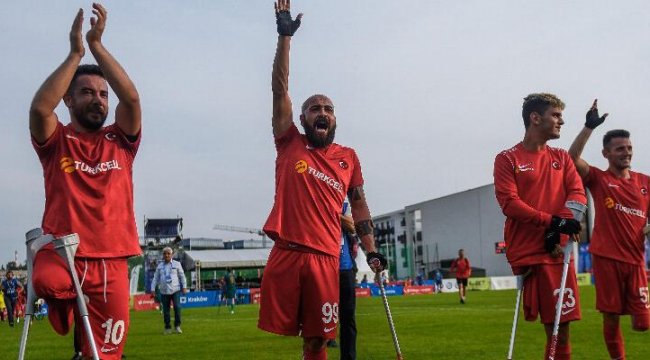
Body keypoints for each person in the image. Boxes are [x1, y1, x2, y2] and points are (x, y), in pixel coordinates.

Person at [258, 2, 386, 359]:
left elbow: (359, 205)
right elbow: (279, 89)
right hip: (288, 253)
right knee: (294, 336)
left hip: (327, 259)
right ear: (302, 117)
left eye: (328, 109)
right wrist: (285, 37)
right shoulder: (289, 142)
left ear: (334, 119)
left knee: (318, 340)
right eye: (315, 108)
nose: (323, 113)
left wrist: (371, 250)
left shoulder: (348, 158)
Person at [28, 4, 141, 359]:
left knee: (106, 354)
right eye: (88, 92)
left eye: (103, 94)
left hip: (112, 260)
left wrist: (97, 45)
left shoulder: (120, 141)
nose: (98, 100)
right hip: (65, 254)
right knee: (46, 280)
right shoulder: (56, 140)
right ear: (69, 99)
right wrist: (76, 53)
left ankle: (84, 348)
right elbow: (38, 110)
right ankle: (66, 311)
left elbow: (132, 99)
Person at [493, 93, 586, 359]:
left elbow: (577, 194)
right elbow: (510, 204)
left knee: (562, 328)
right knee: (554, 327)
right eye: (555, 115)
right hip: (528, 249)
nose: (561, 121)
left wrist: (556, 231)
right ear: (535, 118)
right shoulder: (507, 159)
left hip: (557, 249)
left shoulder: (562, 158)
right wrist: (553, 223)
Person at [568, 99, 650, 360]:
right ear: (606, 154)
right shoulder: (599, 179)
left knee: (643, 323)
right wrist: (588, 128)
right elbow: (571, 160)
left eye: (629, 148)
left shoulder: (645, 183)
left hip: (636, 262)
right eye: (619, 149)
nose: (626, 152)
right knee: (611, 317)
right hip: (606, 258)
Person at [327, 203, 359, 360]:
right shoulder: (313, 198)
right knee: (321, 315)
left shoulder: (342, 202)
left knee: (348, 317)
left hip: (344, 267)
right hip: (323, 264)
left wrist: (332, 213)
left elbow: (352, 226)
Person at [151, 247, 188, 334]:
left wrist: (185, 287)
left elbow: (182, 276)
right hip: (164, 291)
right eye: (165, 253)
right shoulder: (160, 266)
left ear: (172, 255)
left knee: (177, 307)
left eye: (168, 253)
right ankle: (167, 327)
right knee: (166, 310)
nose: (166, 255)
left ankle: (177, 326)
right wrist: (153, 289)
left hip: (176, 290)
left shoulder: (177, 264)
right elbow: (155, 278)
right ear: (163, 255)